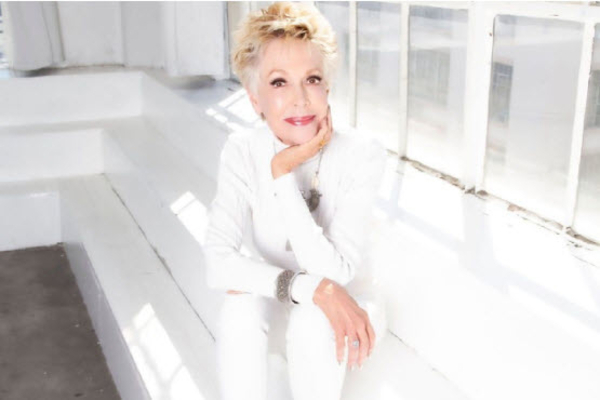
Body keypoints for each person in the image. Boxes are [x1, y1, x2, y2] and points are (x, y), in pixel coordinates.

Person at [203, 2, 387, 399]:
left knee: (311, 321)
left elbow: (335, 275)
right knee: (239, 309)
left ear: (327, 87)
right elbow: (217, 264)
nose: (300, 98)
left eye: (312, 79)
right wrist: (310, 288)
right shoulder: (242, 149)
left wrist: (282, 174)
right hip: (282, 297)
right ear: (255, 100)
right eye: (279, 83)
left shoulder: (363, 152)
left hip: (347, 306)